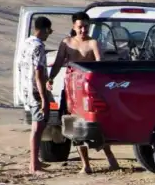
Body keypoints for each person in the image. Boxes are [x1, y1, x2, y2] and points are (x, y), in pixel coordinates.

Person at [48, 12, 119, 174]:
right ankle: (85, 165)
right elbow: (58, 62)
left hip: (89, 91)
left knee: (96, 125)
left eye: (86, 26)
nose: (83, 30)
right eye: (80, 27)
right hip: (71, 90)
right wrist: (50, 78)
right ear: (74, 26)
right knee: (74, 126)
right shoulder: (66, 43)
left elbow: (100, 64)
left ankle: (111, 159)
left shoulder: (93, 43)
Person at [18, 16, 53, 175]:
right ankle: (34, 165)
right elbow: (39, 74)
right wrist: (44, 97)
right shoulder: (38, 46)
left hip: (26, 89)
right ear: (45, 29)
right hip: (35, 91)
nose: (49, 34)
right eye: (49, 31)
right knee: (38, 128)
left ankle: (36, 161)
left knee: (36, 126)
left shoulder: (26, 43)